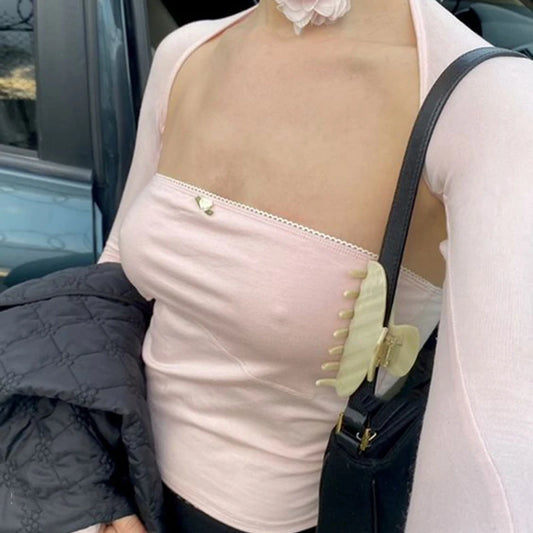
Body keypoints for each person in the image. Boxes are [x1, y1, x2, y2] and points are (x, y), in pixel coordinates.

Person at [97, 0, 533, 531]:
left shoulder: (491, 106)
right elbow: (110, 283)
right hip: (114, 486)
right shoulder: (186, 52)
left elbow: (496, 479)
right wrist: (87, 486)